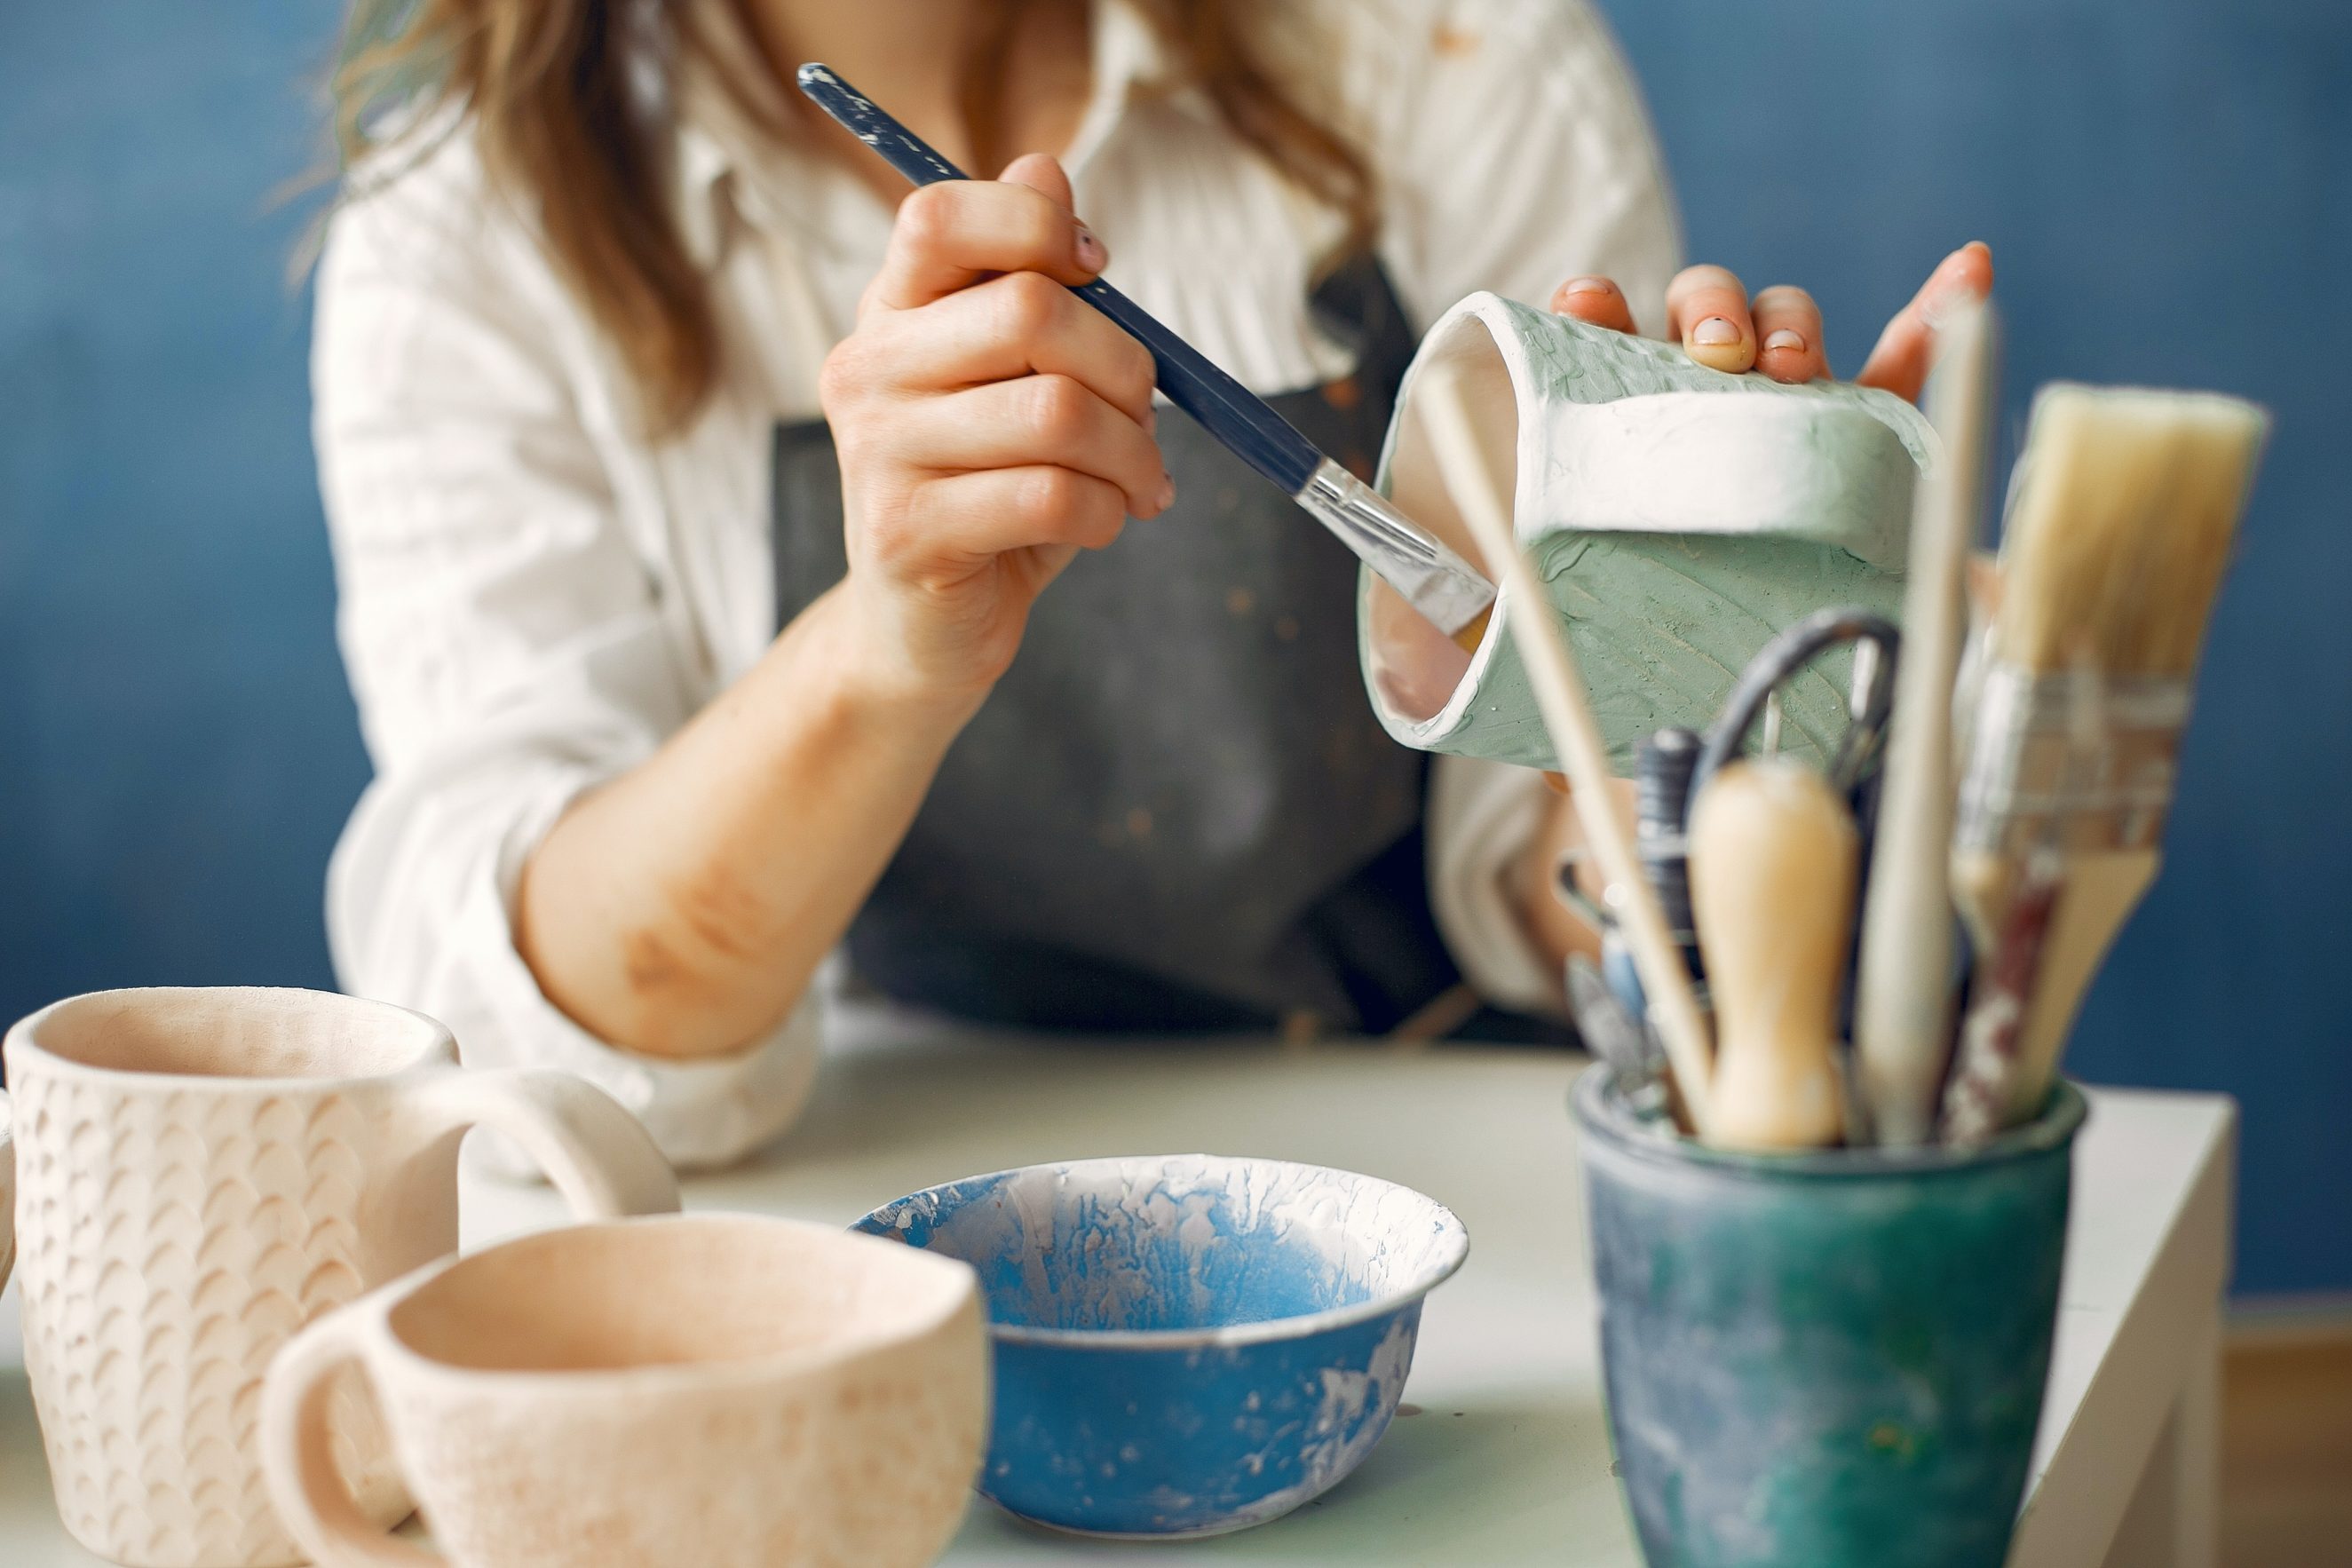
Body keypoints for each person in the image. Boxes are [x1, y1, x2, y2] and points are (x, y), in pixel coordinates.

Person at [316, 0, 1991, 1167]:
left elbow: (1557, 878)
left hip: (1459, 1175)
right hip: (868, 1226)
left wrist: (1723, 690)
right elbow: (514, 1031)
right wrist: (884, 647)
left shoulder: (1450, 56)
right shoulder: (462, 240)